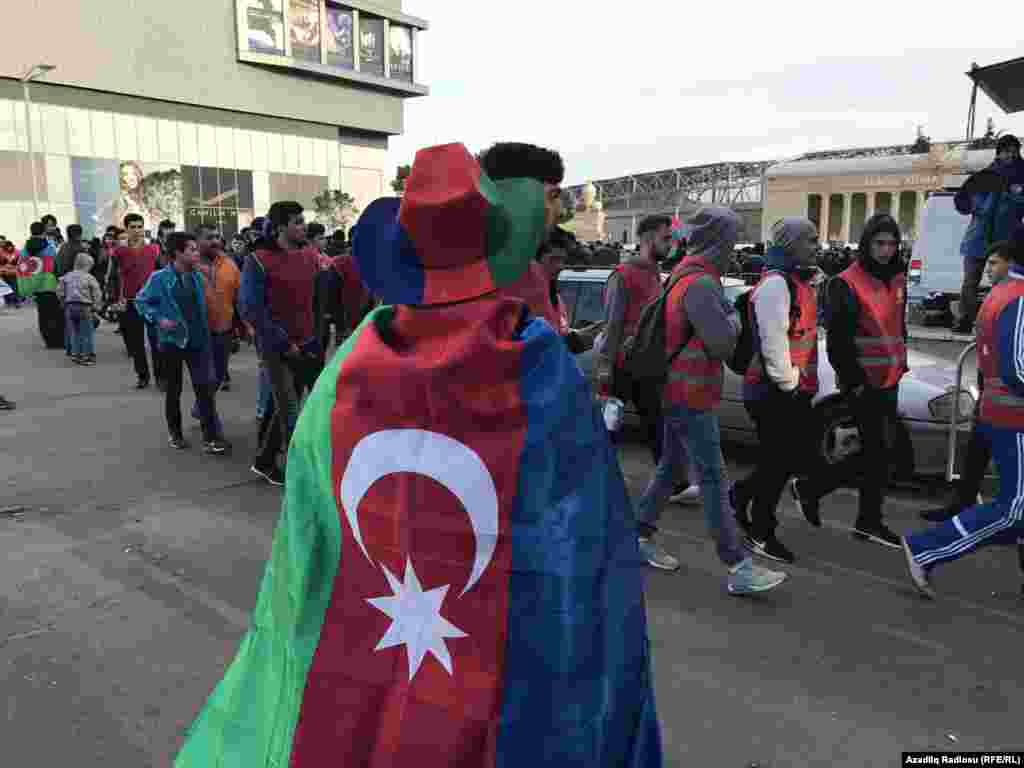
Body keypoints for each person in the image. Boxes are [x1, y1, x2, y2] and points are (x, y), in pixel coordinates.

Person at [174, 142, 662, 767]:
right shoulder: (532, 354)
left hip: (374, 619)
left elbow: (311, 500)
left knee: (381, 711)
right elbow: (579, 519)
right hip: (497, 630)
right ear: (495, 242)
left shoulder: (355, 357)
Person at [634, 206, 786, 592]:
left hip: (677, 389)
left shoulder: (685, 276)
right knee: (714, 477)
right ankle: (737, 564)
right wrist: (734, 319)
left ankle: (639, 536)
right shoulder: (700, 284)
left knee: (671, 468)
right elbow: (721, 344)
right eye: (731, 239)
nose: (735, 249)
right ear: (717, 240)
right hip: (690, 392)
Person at [903, 228, 1024, 598]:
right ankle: (927, 549)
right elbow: (1017, 367)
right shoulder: (1018, 297)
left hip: (1000, 412)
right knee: (1013, 508)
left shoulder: (1001, 295)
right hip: (1014, 416)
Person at [791, 213, 908, 548]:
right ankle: (866, 520)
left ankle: (815, 491)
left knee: (876, 451)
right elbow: (839, 341)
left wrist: (901, 362)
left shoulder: (897, 278)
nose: (886, 250)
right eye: (879, 243)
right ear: (867, 244)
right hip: (863, 381)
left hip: (890, 376)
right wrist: (853, 381)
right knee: (878, 450)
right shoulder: (845, 282)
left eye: (891, 244)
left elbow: (898, 326)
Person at [731, 218, 821, 563]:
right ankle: (761, 530)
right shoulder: (775, 286)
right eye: (809, 240)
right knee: (779, 462)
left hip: (787, 386)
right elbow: (773, 345)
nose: (817, 245)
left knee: (780, 461)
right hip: (774, 389)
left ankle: (740, 497)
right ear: (790, 244)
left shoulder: (798, 281)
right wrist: (791, 385)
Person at [920, 239, 1009, 523]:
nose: (987, 269)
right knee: (977, 450)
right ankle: (963, 503)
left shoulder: (1013, 297)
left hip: (1006, 391)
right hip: (990, 386)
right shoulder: (998, 294)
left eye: (994, 263)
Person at [240, 202, 322, 486]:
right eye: (297, 222)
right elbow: (251, 308)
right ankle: (301, 478)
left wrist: (315, 337)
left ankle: (263, 461)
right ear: (279, 227)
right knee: (289, 411)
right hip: (276, 348)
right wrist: (284, 342)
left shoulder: (311, 257)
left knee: (288, 407)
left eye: (303, 221)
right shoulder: (258, 260)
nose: (303, 227)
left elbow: (316, 300)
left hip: (308, 344)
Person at [134, 232, 229, 455]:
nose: (197, 253)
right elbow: (141, 302)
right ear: (177, 253)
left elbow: (211, 304)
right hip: (171, 342)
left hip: (199, 340)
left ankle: (211, 437)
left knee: (205, 389)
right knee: (173, 390)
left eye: (197, 249)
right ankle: (175, 433)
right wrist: (159, 319)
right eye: (192, 250)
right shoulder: (159, 278)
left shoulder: (198, 276)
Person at [595, 215, 672, 466]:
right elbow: (612, 323)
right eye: (666, 238)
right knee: (610, 426)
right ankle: (596, 479)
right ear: (649, 239)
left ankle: (673, 482)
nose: (670, 244)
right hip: (621, 367)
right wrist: (606, 367)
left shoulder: (655, 274)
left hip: (646, 366)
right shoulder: (623, 275)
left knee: (655, 424)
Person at [953, 134, 1024, 333]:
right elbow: (962, 202)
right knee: (970, 281)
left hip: (1005, 239)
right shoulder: (985, 175)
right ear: (998, 153)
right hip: (978, 237)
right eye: (1006, 150)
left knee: (1003, 281)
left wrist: (1012, 199)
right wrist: (978, 207)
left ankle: (997, 320)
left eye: (1013, 150)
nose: (1010, 154)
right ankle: (965, 320)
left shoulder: (1022, 176)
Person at [112, 213, 161, 388]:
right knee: (136, 342)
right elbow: (113, 277)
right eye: (132, 227)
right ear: (126, 229)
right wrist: (116, 299)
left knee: (156, 341)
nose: (136, 230)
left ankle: (160, 377)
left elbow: (161, 274)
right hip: (131, 301)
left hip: (152, 301)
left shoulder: (154, 249)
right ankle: (142, 375)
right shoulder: (119, 251)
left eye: (139, 226)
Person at [194, 224, 241, 392]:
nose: (215, 241)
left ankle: (203, 408)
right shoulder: (188, 264)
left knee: (218, 377)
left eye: (216, 237)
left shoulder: (230, 264)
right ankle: (207, 414)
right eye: (209, 238)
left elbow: (238, 298)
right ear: (197, 241)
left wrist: (243, 328)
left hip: (223, 332)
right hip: (197, 333)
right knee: (204, 378)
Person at [17, 222, 63, 348]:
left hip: (35, 285)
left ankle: (48, 340)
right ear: (43, 232)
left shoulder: (25, 249)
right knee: (55, 312)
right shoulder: (50, 247)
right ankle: (57, 340)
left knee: (43, 313)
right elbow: (56, 265)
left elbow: (22, 268)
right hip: (50, 284)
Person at [57, 251, 103, 365]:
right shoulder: (89, 277)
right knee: (87, 332)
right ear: (87, 266)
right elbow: (97, 292)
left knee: (75, 331)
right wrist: (97, 306)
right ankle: (87, 355)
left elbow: (59, 290)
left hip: (70, 306)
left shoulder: (67, 276)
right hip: (85, 306)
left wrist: (62, 301)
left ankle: (75, 354)